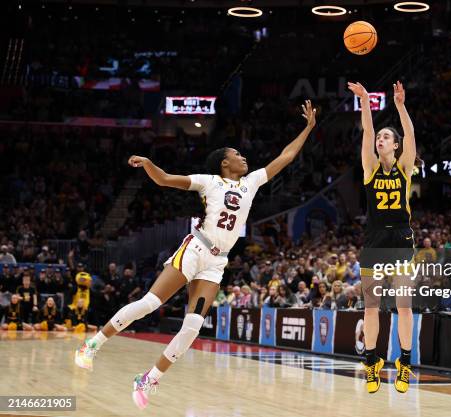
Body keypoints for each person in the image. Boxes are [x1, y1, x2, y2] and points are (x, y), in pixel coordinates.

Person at [74, 100, 317, 409]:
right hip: (196, 247)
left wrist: (308, 127)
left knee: (192, 327)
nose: (244, 158)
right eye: (237, 155)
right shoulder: (209, 181)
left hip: (217, 261)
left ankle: (149, 378)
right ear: (225, 164)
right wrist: (148, 163)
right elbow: (164, 180)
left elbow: (287, 155)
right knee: (150, 303)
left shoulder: (252, 182)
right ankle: (92, 345)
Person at [348, 80, 416, 394]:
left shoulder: (404, 167)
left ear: (396, 146)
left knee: (403, 306)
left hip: (401, 238)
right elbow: (366, 130)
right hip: (375, 239)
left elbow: (411, 135)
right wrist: (364, 101)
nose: (380, 139)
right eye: (379, 136)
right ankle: (373, 360)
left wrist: (400, 105)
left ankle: (404, 361)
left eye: (386, 136)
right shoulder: (370, 167)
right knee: (371, 307)